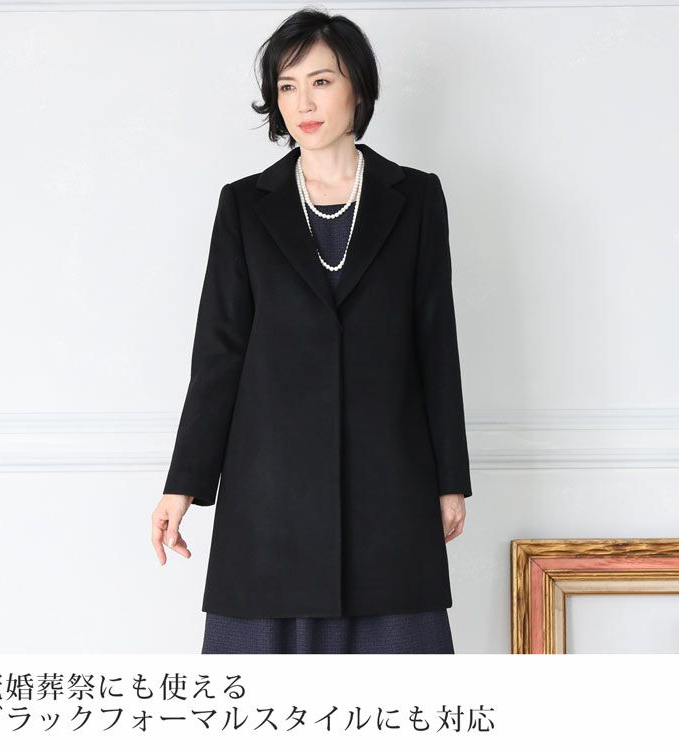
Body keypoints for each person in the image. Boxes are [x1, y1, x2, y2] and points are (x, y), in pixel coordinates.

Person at [151, 8, 473, 654]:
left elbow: (435, 343)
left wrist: (450, 479)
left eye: (321, 82)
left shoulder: (416, 198)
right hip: (269, 498)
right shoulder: (244, 206)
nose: (304, 102)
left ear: (358, 87)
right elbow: (219, 354)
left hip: (389, 488)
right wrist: (181, 485)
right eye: (288, 86)